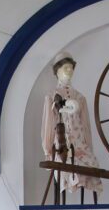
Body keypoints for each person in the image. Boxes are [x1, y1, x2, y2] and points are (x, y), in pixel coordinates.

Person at [41, 52, 102, 194]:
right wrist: (48, 150)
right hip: (62, 145)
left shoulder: (80, 98)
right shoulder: (51, 96)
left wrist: (89, 147)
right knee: (67, 165)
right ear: (57, 71)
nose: (69, 71)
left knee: (91, 165)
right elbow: (48, 126)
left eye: (71, 68)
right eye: (65, 68)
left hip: (80, 145)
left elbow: (86, 126)